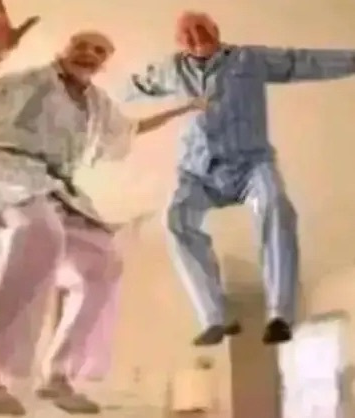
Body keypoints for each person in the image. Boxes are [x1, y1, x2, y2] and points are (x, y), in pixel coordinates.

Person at [0, 1, 208, 415]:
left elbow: (131, 129)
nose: (88, 52)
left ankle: (59, 374)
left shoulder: (98, 105)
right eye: (81, 44)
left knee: (104, 262)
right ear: (63, 50)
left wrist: (185, 108)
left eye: (98, 50)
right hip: (7, 172)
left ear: (105, 63)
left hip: (56, 187)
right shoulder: (33, 81)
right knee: (39, 232)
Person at [121, 10, 355, 347]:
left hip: (251, 165)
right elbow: (132, 87)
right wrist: (88, 96)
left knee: (275, 206)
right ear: (178, 41)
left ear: (216, 29)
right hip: (198, 172)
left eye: (202, 28)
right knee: (175, 219)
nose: (196, 36)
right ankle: (214, 317)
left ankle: (280, 314)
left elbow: (301, 61)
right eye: (187, 32)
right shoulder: (170, 70)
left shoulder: (249, 59)